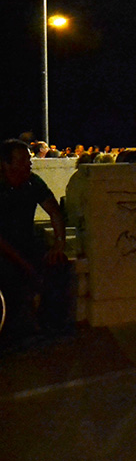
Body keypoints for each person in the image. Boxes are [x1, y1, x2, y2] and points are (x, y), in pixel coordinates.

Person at [0, 139, 72, 344]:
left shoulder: (33, 182)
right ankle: (13, 330)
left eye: (29, 159)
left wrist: (59, 245)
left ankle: (51, 323)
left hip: (26, 241)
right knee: (10, 274)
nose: (29, 163)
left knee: (59, 265)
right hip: (4, 249)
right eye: (23, 160)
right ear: (6, 164)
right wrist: (26, 265)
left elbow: (54, 212)